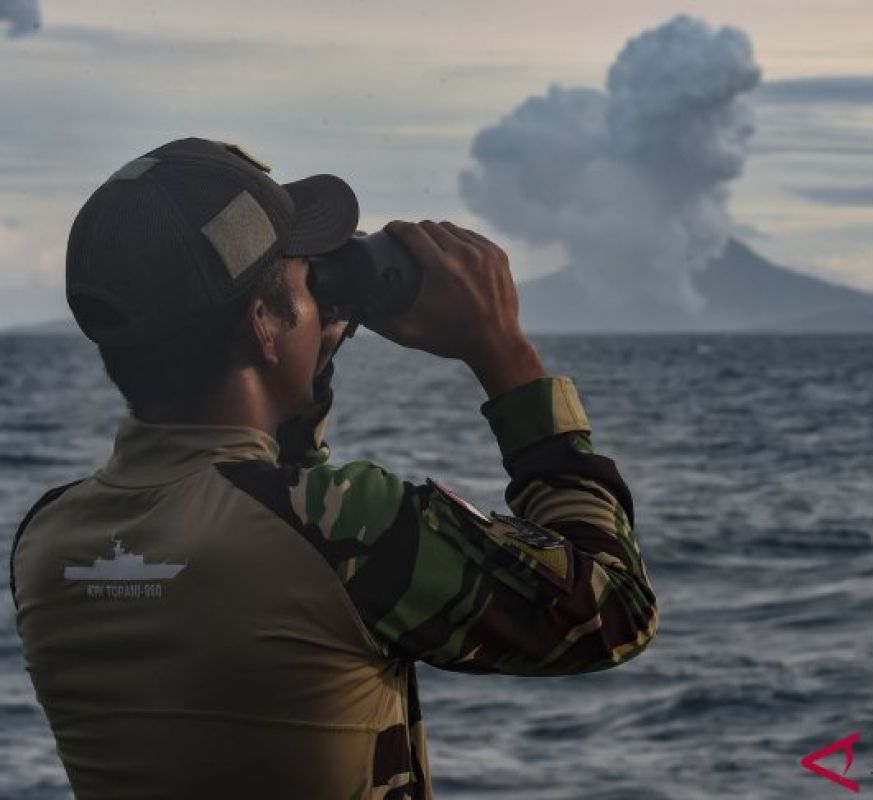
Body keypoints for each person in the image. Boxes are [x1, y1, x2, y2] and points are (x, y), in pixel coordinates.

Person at [9, 137, 658, 799]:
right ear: (263, 324)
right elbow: (612, 609)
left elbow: (260, 498)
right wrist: (505, 355)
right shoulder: (347, 529)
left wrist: (302, 348)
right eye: (306, 271)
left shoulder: (46, 540)